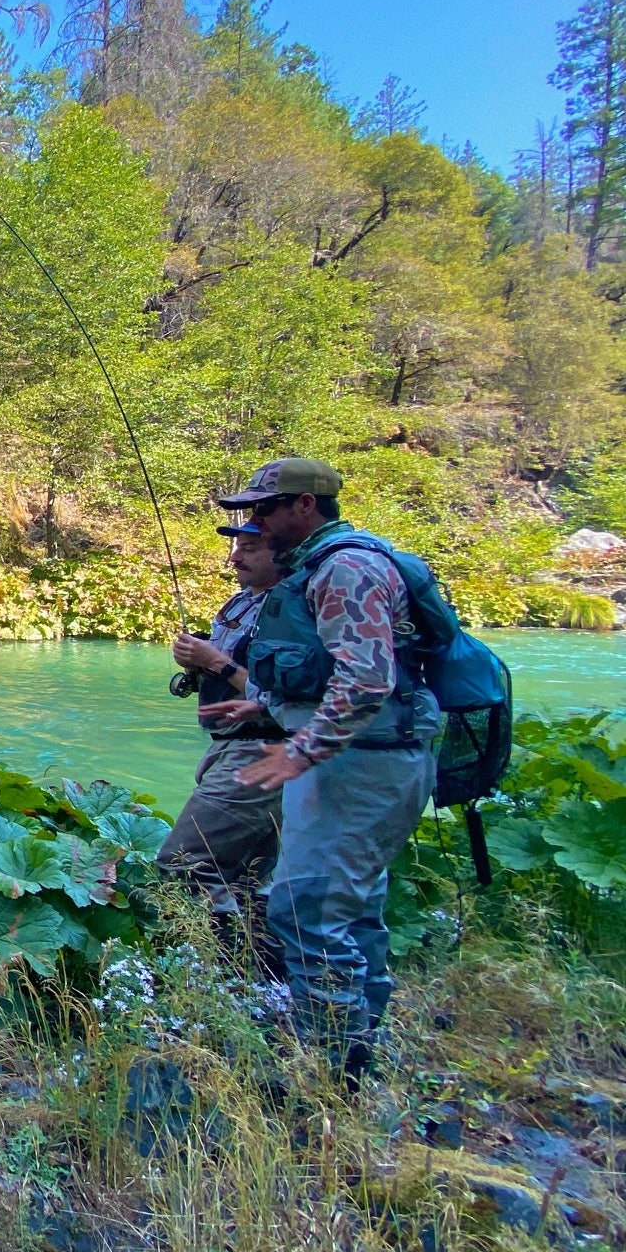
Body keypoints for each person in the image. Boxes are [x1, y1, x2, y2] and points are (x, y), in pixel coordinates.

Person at [197, 458, 438, 1082]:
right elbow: (333, 674)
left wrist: (298, 751)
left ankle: (325, 1068)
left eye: (265, 508)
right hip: (364, 756)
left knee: (308, 909)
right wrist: (267, 703)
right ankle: (360, 1045)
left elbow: (365, 681)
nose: (255, 521)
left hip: (362, 764)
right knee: (352, 908)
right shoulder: (322, 566)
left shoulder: (346, 568)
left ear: (306, 506)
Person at [157, 521, 285, 954]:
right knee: (248, 879)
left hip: (262, 750)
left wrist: (217, 663)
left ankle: (208, 965)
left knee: (183, 863)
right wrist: (198, 664)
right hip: (229, 748)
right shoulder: (241, 604)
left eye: (250, 548)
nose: (235, 558)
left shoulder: (294, 612)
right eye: (237, 549)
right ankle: (258, 978)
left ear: (280, 550)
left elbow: (286, 699)